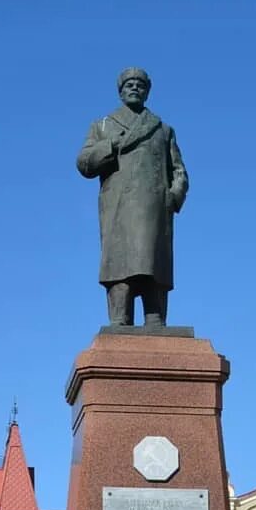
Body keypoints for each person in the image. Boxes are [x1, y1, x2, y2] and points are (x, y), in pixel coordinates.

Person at [77, 68, 189, 328]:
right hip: (118, 211)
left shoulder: (163, 129)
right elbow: (84, 163)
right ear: (120, 90)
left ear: (148, 91)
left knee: (153, 265)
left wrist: (172, 196)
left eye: (140, 84)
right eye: (129, 84)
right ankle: (120, 317)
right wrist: (110, 145)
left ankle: (155, 317)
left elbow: (179, 171)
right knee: (120, 267)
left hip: (155, 211)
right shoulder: (103, 126)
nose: (135, 88)